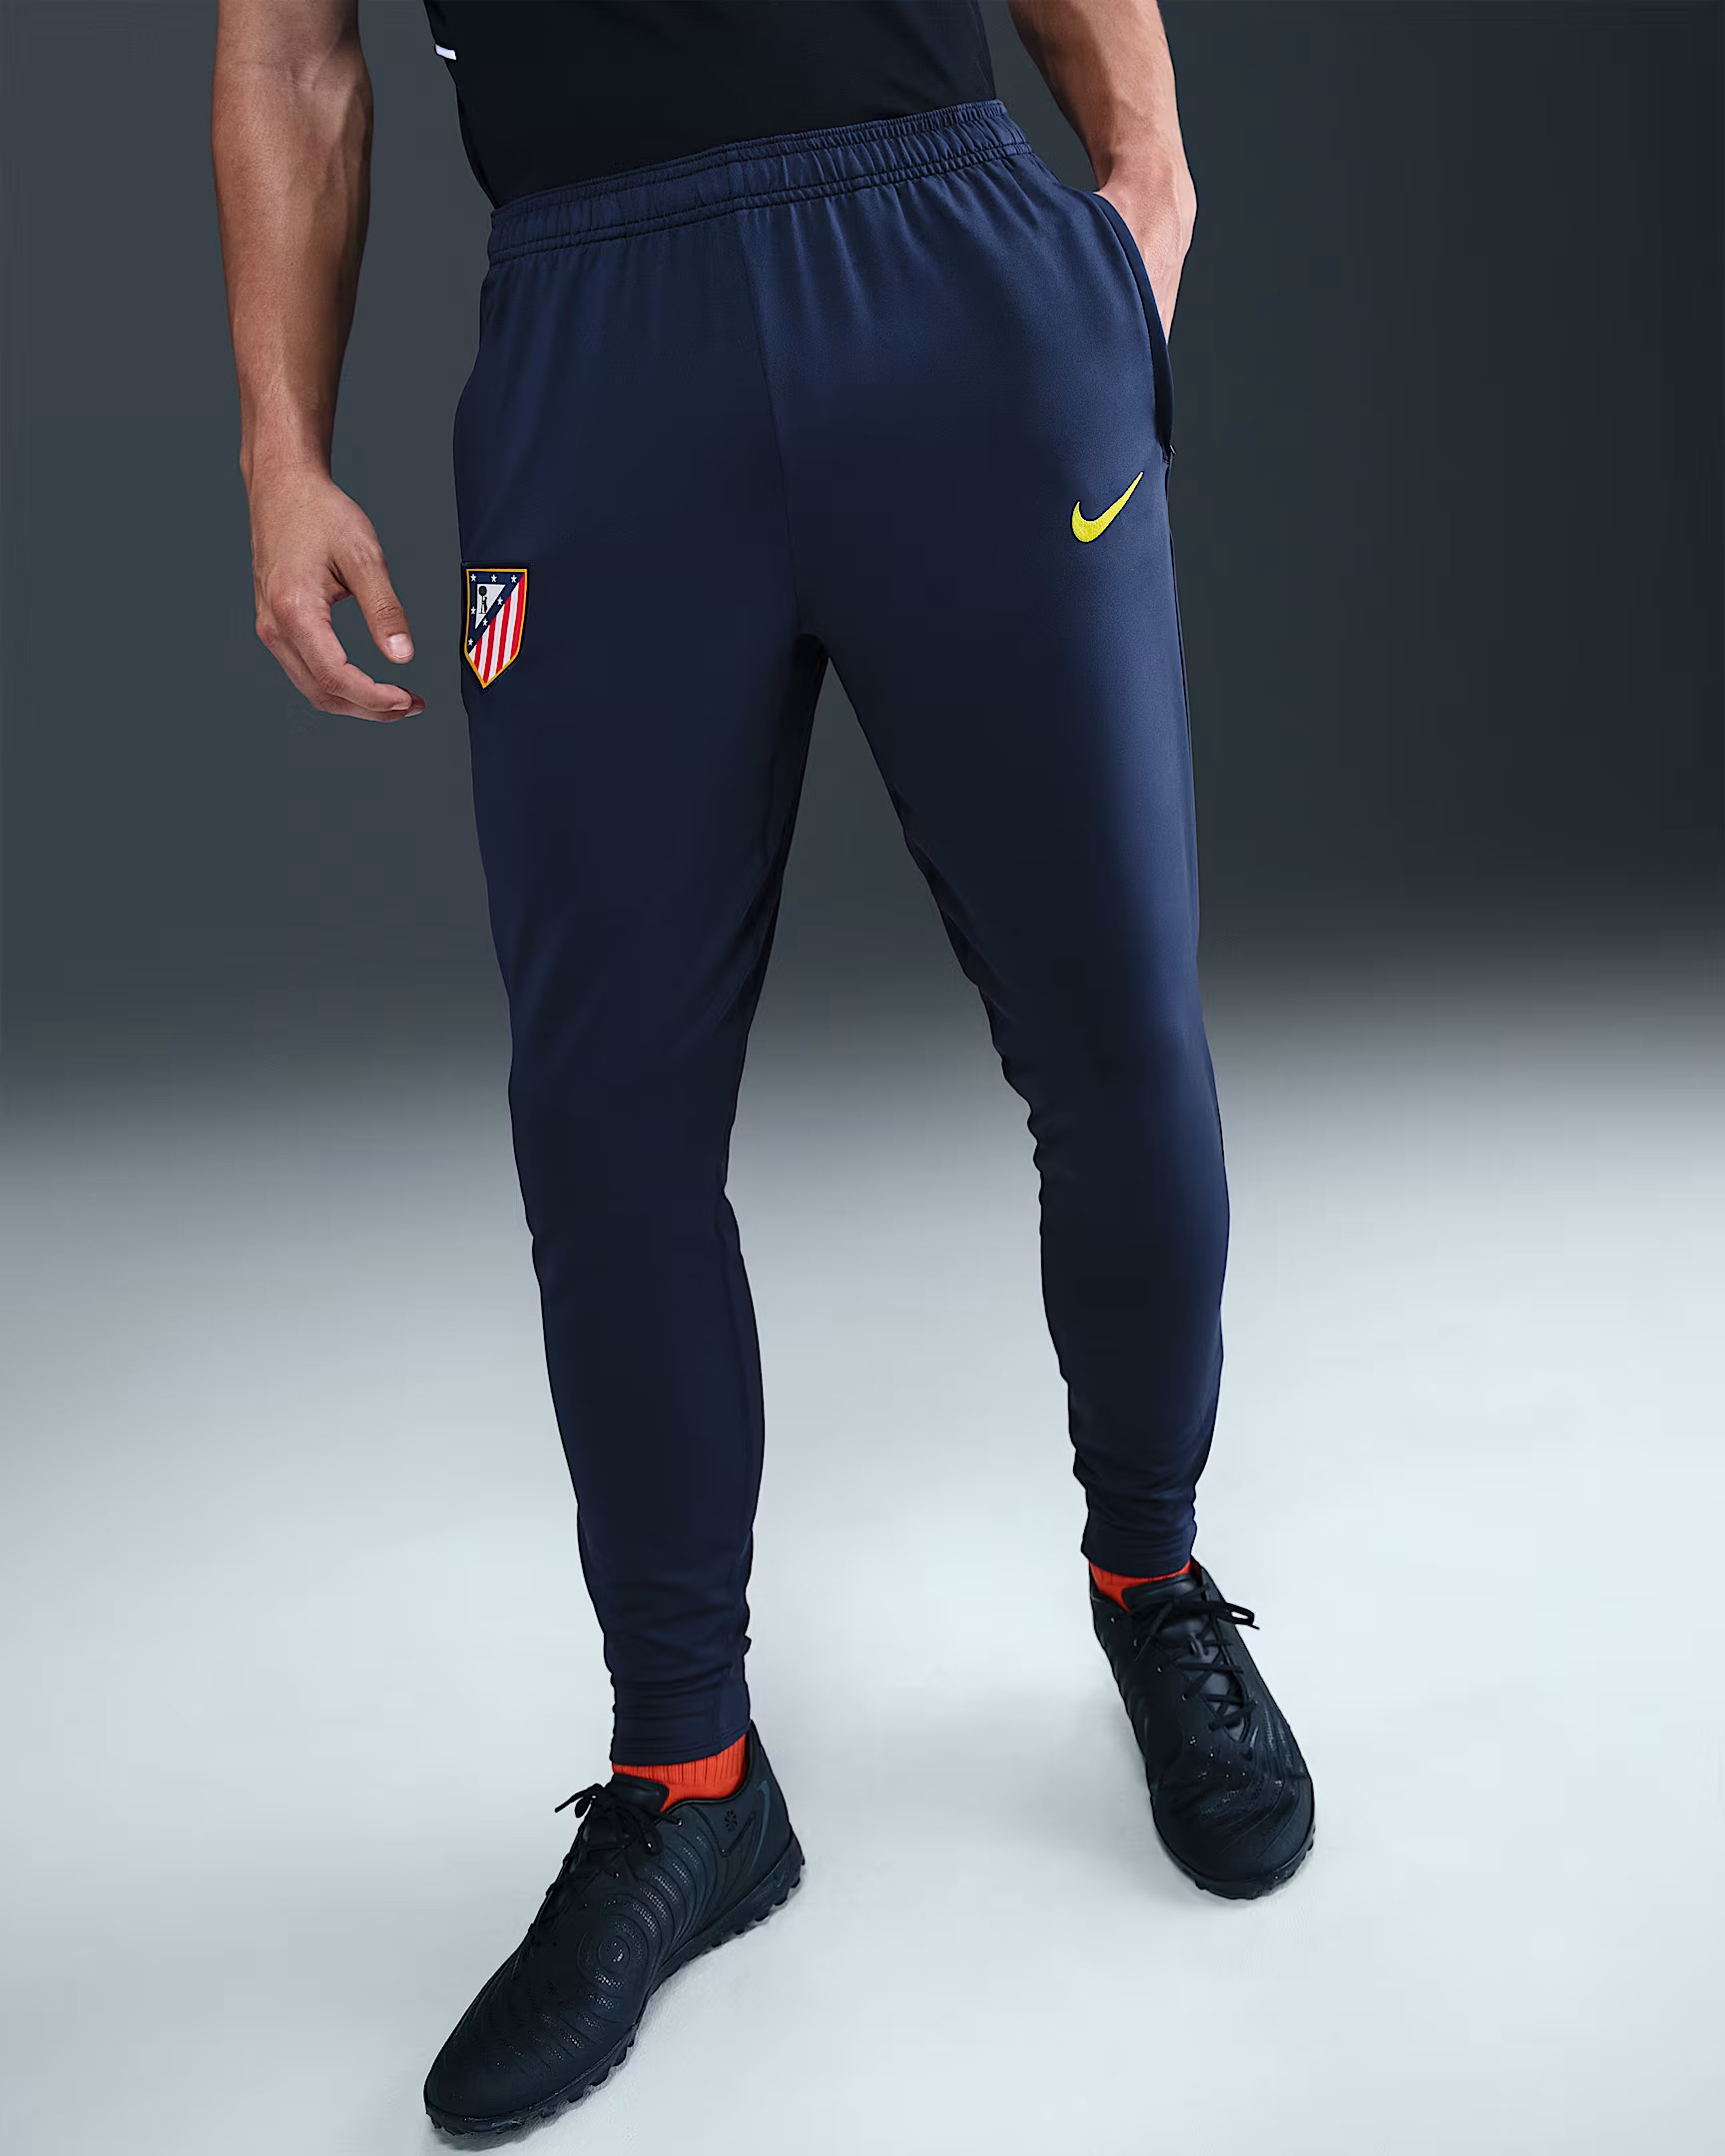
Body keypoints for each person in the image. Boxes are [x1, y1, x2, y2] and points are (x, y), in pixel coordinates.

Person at [213, 0, 1313, 2132]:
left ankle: (1154, 1576)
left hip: (947, 277)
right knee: (603, 1125)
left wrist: (1148, 179)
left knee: (1111, 1030)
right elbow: (287, 52)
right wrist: (280, 444)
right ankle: (690, 1772)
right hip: (594, 340)